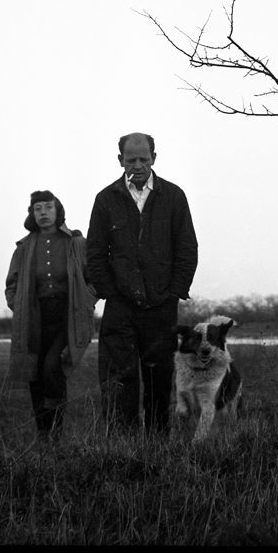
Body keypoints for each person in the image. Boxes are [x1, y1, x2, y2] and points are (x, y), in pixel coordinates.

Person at [86, 132, 198, 433]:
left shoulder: (173, 197)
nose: (137, 165)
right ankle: (123, 450)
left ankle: (157, 447)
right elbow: (95, 253)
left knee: (159, 379)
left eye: (143, 159)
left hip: (161, 306)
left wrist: (173, 293)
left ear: (154, 158)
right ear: (120, 160)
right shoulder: (106, 199)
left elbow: (187, 249)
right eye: (131, 159)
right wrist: (110, 292)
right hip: (120, 306)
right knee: (118, 379)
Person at [5, 190, 97, 441]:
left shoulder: (76, 243)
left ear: (58, 211)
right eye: (38, 209)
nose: (43, 213)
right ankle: (43, 435)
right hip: (34, 316)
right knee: (33, 371)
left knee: (52, 367)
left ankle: (56, 431)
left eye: (48, 207)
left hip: (67, 315)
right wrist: (19, 306)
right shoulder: (24, 248)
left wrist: (86, 301)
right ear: (32, 214)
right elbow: (11, 284)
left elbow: (94, 278)